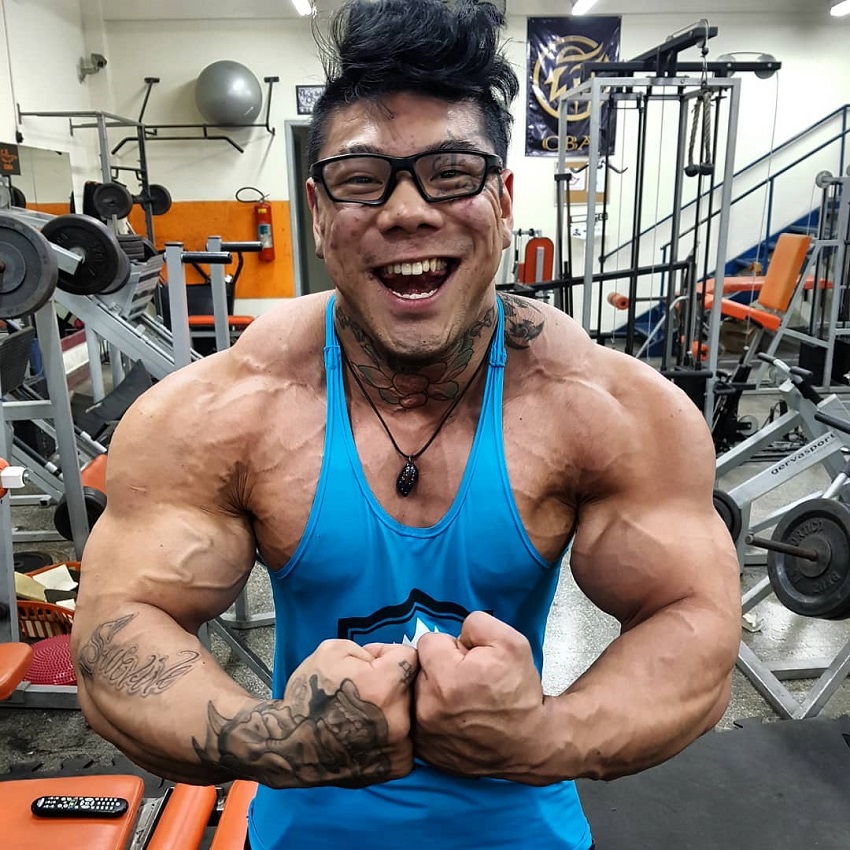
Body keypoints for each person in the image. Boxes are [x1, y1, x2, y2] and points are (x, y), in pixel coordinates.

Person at [70, 1, 742, 848]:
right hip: (304, 827)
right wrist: (284, 741)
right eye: (362, 180)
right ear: (319, 212)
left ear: (503, 200)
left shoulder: (603, 406)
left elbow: (697, 628)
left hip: (519, 825)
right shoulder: (225, 409)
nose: (408, 211)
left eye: (452, 172)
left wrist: (543, 737)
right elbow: (113, 640)